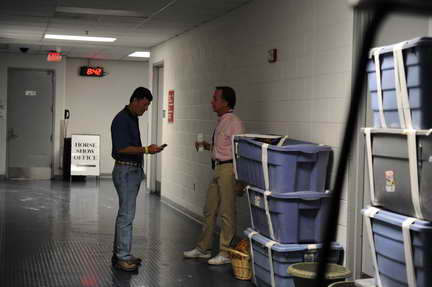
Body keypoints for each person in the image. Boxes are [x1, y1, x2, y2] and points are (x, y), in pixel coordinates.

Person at [184, 86, 244, 265]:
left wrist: (240, 180)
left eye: (215, 98)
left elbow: (240, 151)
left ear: (225, 102)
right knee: (209, 209)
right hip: (218, 168)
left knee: (227, 211)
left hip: (228, 169)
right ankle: (203, 248)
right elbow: (223, 148)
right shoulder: (222, 121)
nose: (212, 101)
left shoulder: (234, 122)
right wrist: (206, 145)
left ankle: (225, 253)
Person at [111, 87, 164, 272]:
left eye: (148, 105)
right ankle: (123, 257)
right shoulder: (122, 119)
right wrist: (146, 149)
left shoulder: (132, 118)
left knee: (124, 214)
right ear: (135, 100)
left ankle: (120, 254)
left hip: (131, 171)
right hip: (125, 171)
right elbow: (121, 148)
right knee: (126, 215)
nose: (146, 108)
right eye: (145, 104)